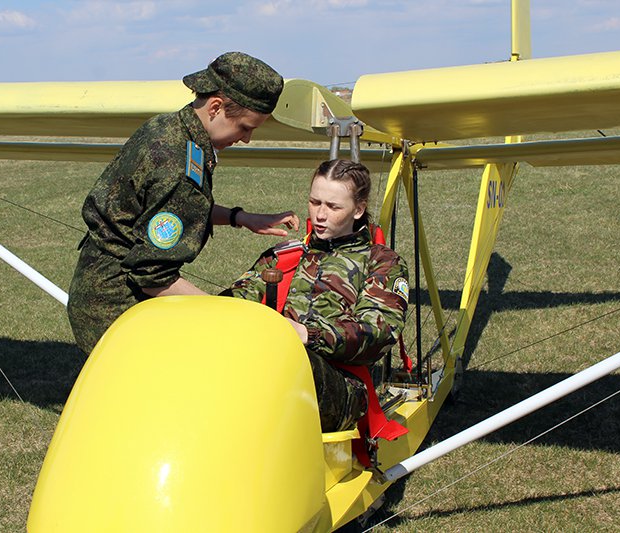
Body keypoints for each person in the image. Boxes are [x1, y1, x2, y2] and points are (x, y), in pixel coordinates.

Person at [68, 51, 299, 354]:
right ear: (216, 107)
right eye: (245, 127)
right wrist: (229, 313)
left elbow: (161, 213)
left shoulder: (170, 128)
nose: (246, 139)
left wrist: (240, 218)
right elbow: (153, 276)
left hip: (99, 290)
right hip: (117, 309)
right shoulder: (178, 164)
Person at [225, 159, 409, 432]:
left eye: (333, 207)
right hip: (271, 369)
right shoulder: (282, 256)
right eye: (315, 202)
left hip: (342, 390)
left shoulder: (381, 262)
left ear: (358, 209)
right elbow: (232, 305)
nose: (320, 214)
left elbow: (379, 333)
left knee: (291, 365)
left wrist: (307, 335)